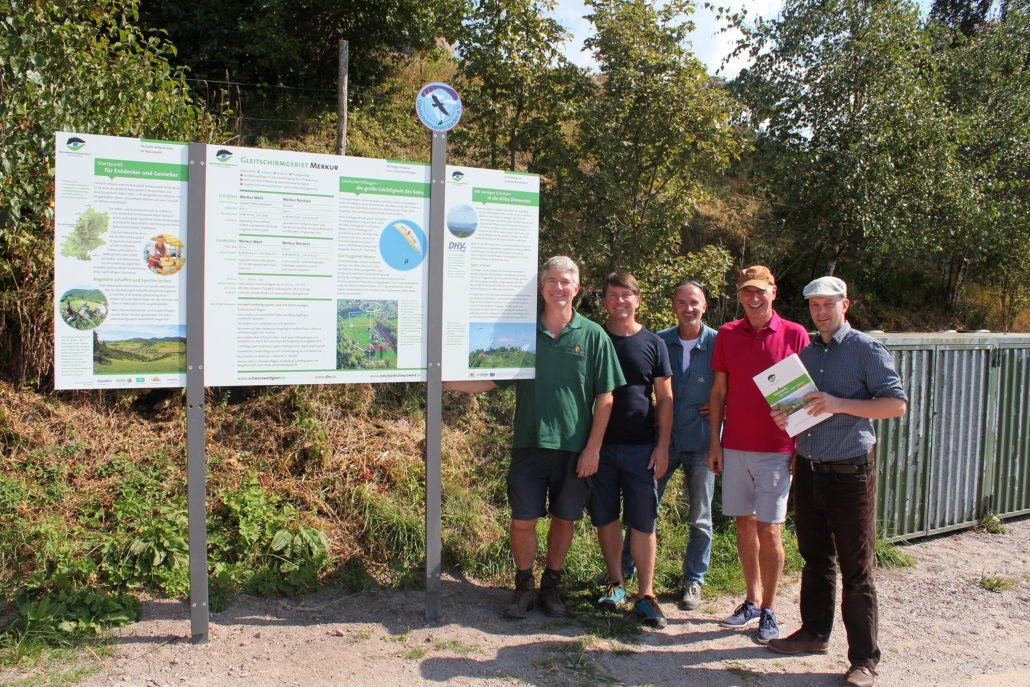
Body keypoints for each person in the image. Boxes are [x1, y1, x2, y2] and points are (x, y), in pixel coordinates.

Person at [444, 256, 625, 619]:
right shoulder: (522, 335)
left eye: (566, 281)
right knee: (522, 520)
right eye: (552, 280)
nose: (559, 287)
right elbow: (491, 380)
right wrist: (443, 380)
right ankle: (523, 586)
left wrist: (593, 449)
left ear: (577, 288)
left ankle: (551, 588)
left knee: (564, 519)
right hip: (529, 443)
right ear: (541, 287)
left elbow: (606, 397)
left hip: (575, 449)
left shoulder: (593, 335)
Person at [766, 276, 907, 687]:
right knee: (815, 560)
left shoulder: (866, 349)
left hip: (851, 473)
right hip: (809, 469)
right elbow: (804, 409)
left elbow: (896, 405)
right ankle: (814, 634)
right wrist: (785, 418)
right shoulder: (807, 354)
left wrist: (839, 403)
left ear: (846, 305)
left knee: (856, 569)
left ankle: (864, 660)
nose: (821, 312)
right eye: (814, 306)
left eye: (828, 304)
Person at [600, 280, 718, 612]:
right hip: (657, 440)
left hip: (700, 439)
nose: (688, 308)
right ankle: (621, 576)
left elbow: (735, 381)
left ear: (704, 306)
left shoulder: (719, 344)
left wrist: (727, 404)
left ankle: (693, 580)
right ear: (673, 307)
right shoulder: (660, 339)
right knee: (642, 514)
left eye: (694, 302)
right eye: (681, 302)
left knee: (701, 517)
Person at [708, 265, 809, 644]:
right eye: (746, 292)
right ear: (739, 295)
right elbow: (718, 392)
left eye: (760, 291)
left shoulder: (795, 334)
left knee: (770, 530)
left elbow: (808, 396)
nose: (753, 298)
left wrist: (801, 446)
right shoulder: (728, 335)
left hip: (777, 451)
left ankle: (770, 609)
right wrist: (715, 442)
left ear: (773, 292)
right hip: (734, 446)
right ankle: (750, 600)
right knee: (744, 525)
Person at [589, 272, 673, 628]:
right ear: (604, 300)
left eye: (626, 294)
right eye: (612, 294)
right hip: (599, 448)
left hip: (642, 447)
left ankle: (646, 595)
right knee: (605, 518)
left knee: (643, 522)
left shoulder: (654, 343)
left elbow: (665, 397)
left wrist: (663, 446)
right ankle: (615, 585)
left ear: (638, 299)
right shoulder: (593, 339)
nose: (619, 300)